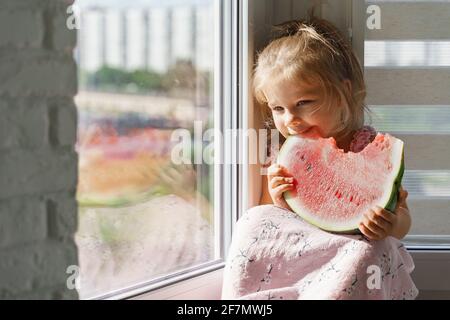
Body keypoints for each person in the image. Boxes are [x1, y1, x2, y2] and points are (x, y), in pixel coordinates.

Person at [222, 16, 418, 300]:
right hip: (306, 255)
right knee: (254, 219)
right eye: (278, 108)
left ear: (343, 93)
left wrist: (392, 225)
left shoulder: (368, 146)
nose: (290, 120)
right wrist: (279, 199)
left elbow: (402, 214)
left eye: (304, 103)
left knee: (370, 250)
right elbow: (278, 222)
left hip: (353, 249)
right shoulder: (285, 154)